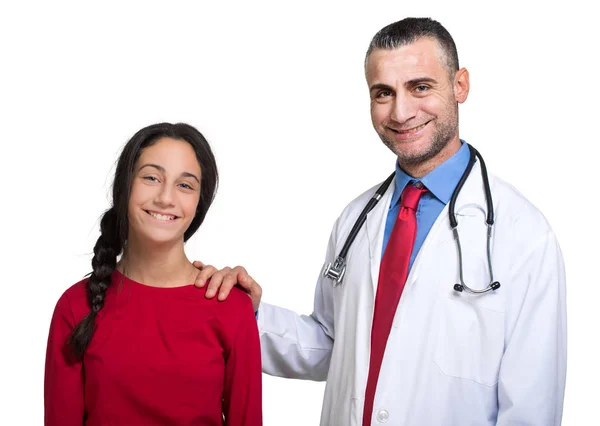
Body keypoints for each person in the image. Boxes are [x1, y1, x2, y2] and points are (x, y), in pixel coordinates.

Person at [194, 17, 567, 426]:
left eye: (420, 87)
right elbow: (334, 346)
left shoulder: (524, 236)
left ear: (460, 85)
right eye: (383, 93)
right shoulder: (357, 218)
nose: (401, 111)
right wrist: (247, 316)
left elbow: (531, 410)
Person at [44, 123, 262, 425]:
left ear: (199, 203)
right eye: (151, 177)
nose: (165, 198)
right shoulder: (74, 307)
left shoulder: (233, 308)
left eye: (185, 185)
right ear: (124, 187)